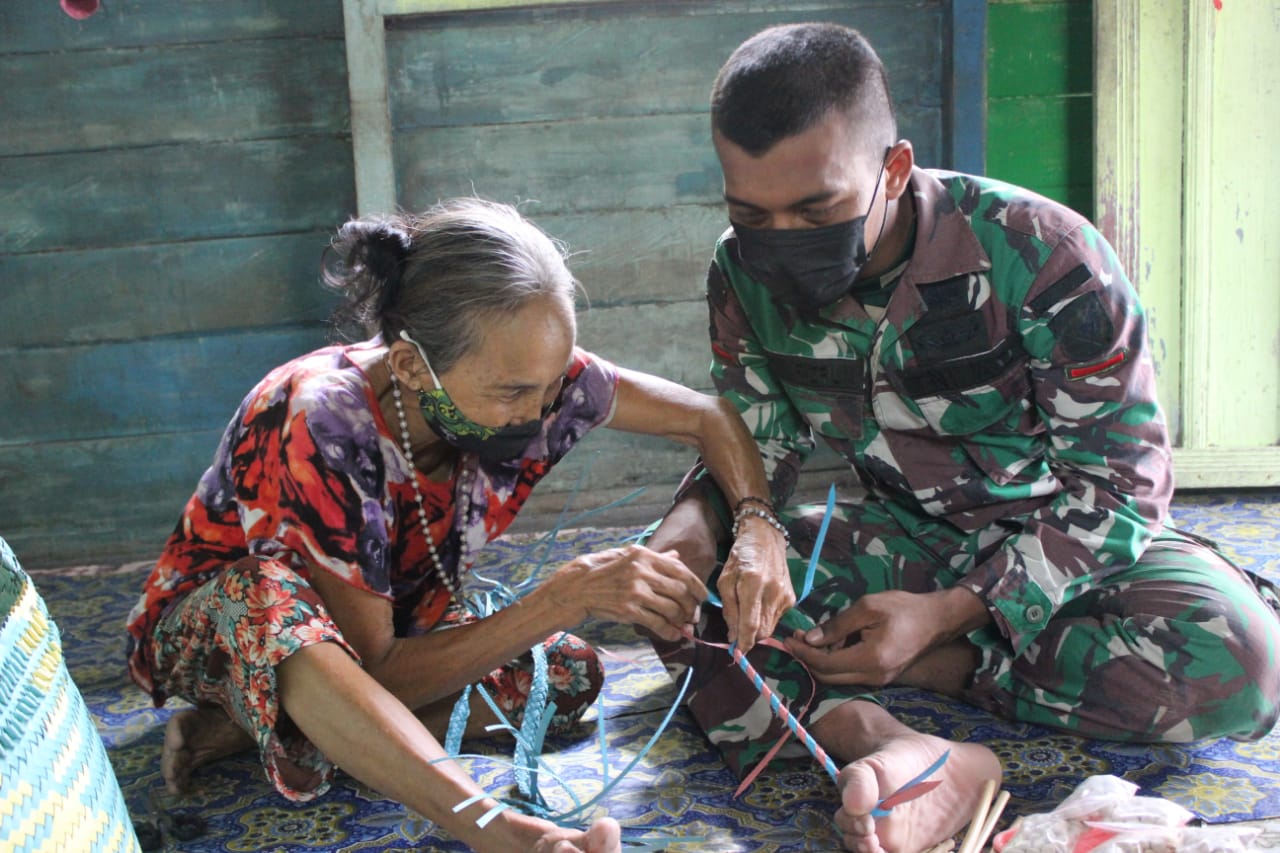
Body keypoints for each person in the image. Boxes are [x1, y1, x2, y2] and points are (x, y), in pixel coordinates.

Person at [646, 22, 1280, 853]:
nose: (782, 239)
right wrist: (710, 532)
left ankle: (934, 669)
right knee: (675, 601)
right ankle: (892, 743)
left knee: (1243, 659)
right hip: (901, 536)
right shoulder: (741, 270)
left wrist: (946, 618)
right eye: (750, 212)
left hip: (1055, 546)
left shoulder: (1043, 254)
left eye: (817, 208)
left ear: (894, 169)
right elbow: (753, 434)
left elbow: (1123, 489)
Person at [124, 198, 795, 853]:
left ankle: (265, 727)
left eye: (553, 383)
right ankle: (487, 825)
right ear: (413, 365)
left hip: (394, 625)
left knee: (563, 673)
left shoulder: (535, 376)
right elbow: (376, 669)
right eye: (512, 394)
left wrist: (760, 529)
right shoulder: (320, 419)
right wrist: (563, 597)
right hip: (229, 622)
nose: (539, 414)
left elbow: (710, 417)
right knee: (272, 606)